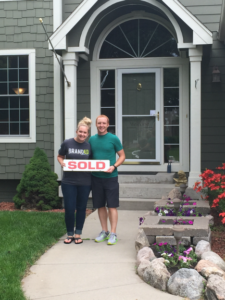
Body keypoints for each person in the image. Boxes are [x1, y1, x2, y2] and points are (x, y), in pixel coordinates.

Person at [89, 115, 125, 245]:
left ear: (108, 124)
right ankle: (104, 231)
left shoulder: (113, 139)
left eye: (104, 123)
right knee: (100, 205)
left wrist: (114, 166)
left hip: (110, 177)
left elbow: (122, 156)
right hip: (96, 177)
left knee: (112, 206)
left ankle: (113, 233)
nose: (101, 125)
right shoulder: (92, 139)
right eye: (99, 123)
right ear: (96, 124)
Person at [57, 117, 92, 245]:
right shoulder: (67, 143)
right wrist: (62, 163)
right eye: (80, 132)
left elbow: (93, 162)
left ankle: (78, 233)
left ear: (87, 134)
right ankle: (70, 234)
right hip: (69, 182)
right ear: (77, 131)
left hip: (85, 182)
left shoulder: (89, 146)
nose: (82, 134)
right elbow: (60, 156)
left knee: (82, 208)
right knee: (70, 208)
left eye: (85, 133)